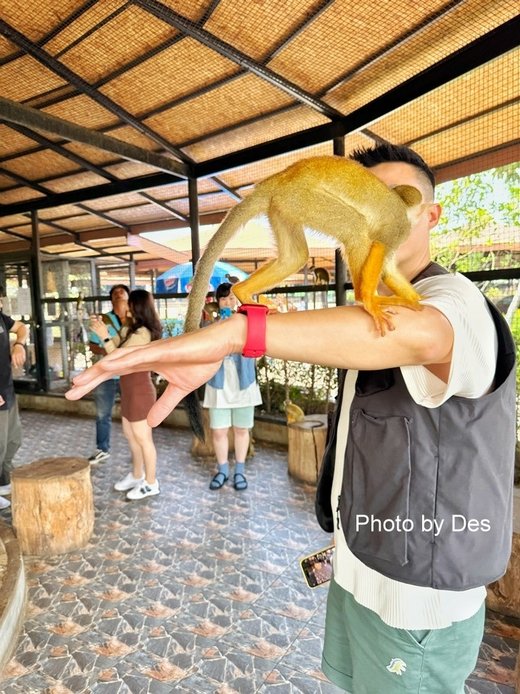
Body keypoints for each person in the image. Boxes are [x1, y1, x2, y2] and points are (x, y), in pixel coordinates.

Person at [66, 144, 516, 693]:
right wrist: (236, 331)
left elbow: (423, 334)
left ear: (429, 215)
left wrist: (238, 334)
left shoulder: (457, 301)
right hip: (361, 568)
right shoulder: (371, 294)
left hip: (417, 600)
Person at [89, 289, 163, 500]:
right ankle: (137, 474)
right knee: (131, 436)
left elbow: (119, 360)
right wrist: (102, 331)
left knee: (144, 438)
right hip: (129, 390)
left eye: (129, 303)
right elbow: (115, 346)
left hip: (140, 390)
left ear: (137, 306)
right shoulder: (130, 328)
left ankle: (151, 482)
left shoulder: (143, 333)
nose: (126, 307)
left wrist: (104, 335)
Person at [203, 283, 262, 491]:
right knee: (219, 431)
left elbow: (258, 348)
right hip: (218, 384)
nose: (228, 302)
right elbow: (203, 348)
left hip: (244, 383)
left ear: (237, 300)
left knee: (241, 429)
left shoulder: (246, 322)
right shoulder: (210, 324)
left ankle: (240, 471)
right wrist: (217, 326)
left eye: (231, 298)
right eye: (223, 298)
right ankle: (222, 470)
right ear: (217, 302)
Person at [87, 284, 129, 464]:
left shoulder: (135, 319)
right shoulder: (103, 320)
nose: (119, 295)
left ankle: (139, 448)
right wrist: (108, 352)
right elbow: (93, 346)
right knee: (102, 414)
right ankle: (102, 449)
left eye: (122, 292)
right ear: (111, 299)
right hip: (106, 375)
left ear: (129, 297)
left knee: (134, 414)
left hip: (130, 374)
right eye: (115, 293)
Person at [0, 288, 28, 510]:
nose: (1, 304)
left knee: (13, 440)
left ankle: (3, 481)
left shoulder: (1, 317)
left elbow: (22, 328)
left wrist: (19, 344)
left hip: (7, 390)